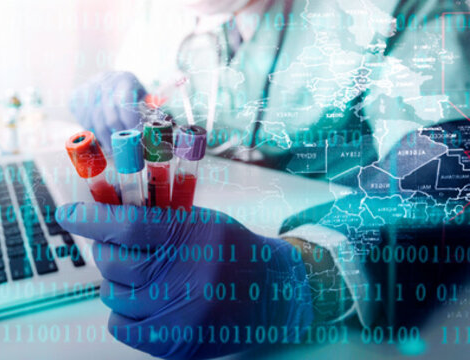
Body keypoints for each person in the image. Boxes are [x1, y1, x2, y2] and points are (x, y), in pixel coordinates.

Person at [62, 0, 470, 358]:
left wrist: (300, 275)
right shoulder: (161, 17)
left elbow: (447, 160)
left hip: (376, 290)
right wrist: (123, 109)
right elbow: (174, 119)